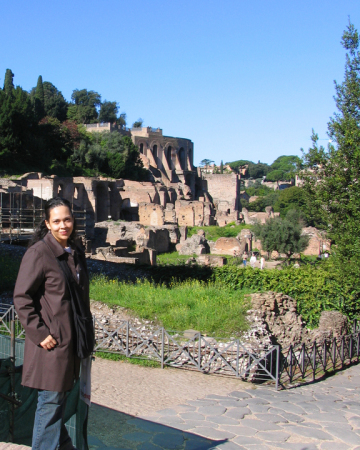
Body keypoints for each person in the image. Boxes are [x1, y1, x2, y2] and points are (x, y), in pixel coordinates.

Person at [13, 197, 90, 450]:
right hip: (51, 346)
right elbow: (21, 298)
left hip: (71, 344)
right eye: (56, 221)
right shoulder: (39, 253)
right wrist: (39, 333)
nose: (62, 225)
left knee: (57, 406)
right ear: (47, 223)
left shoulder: (74, 251)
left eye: (67, 219)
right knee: (50, 406)